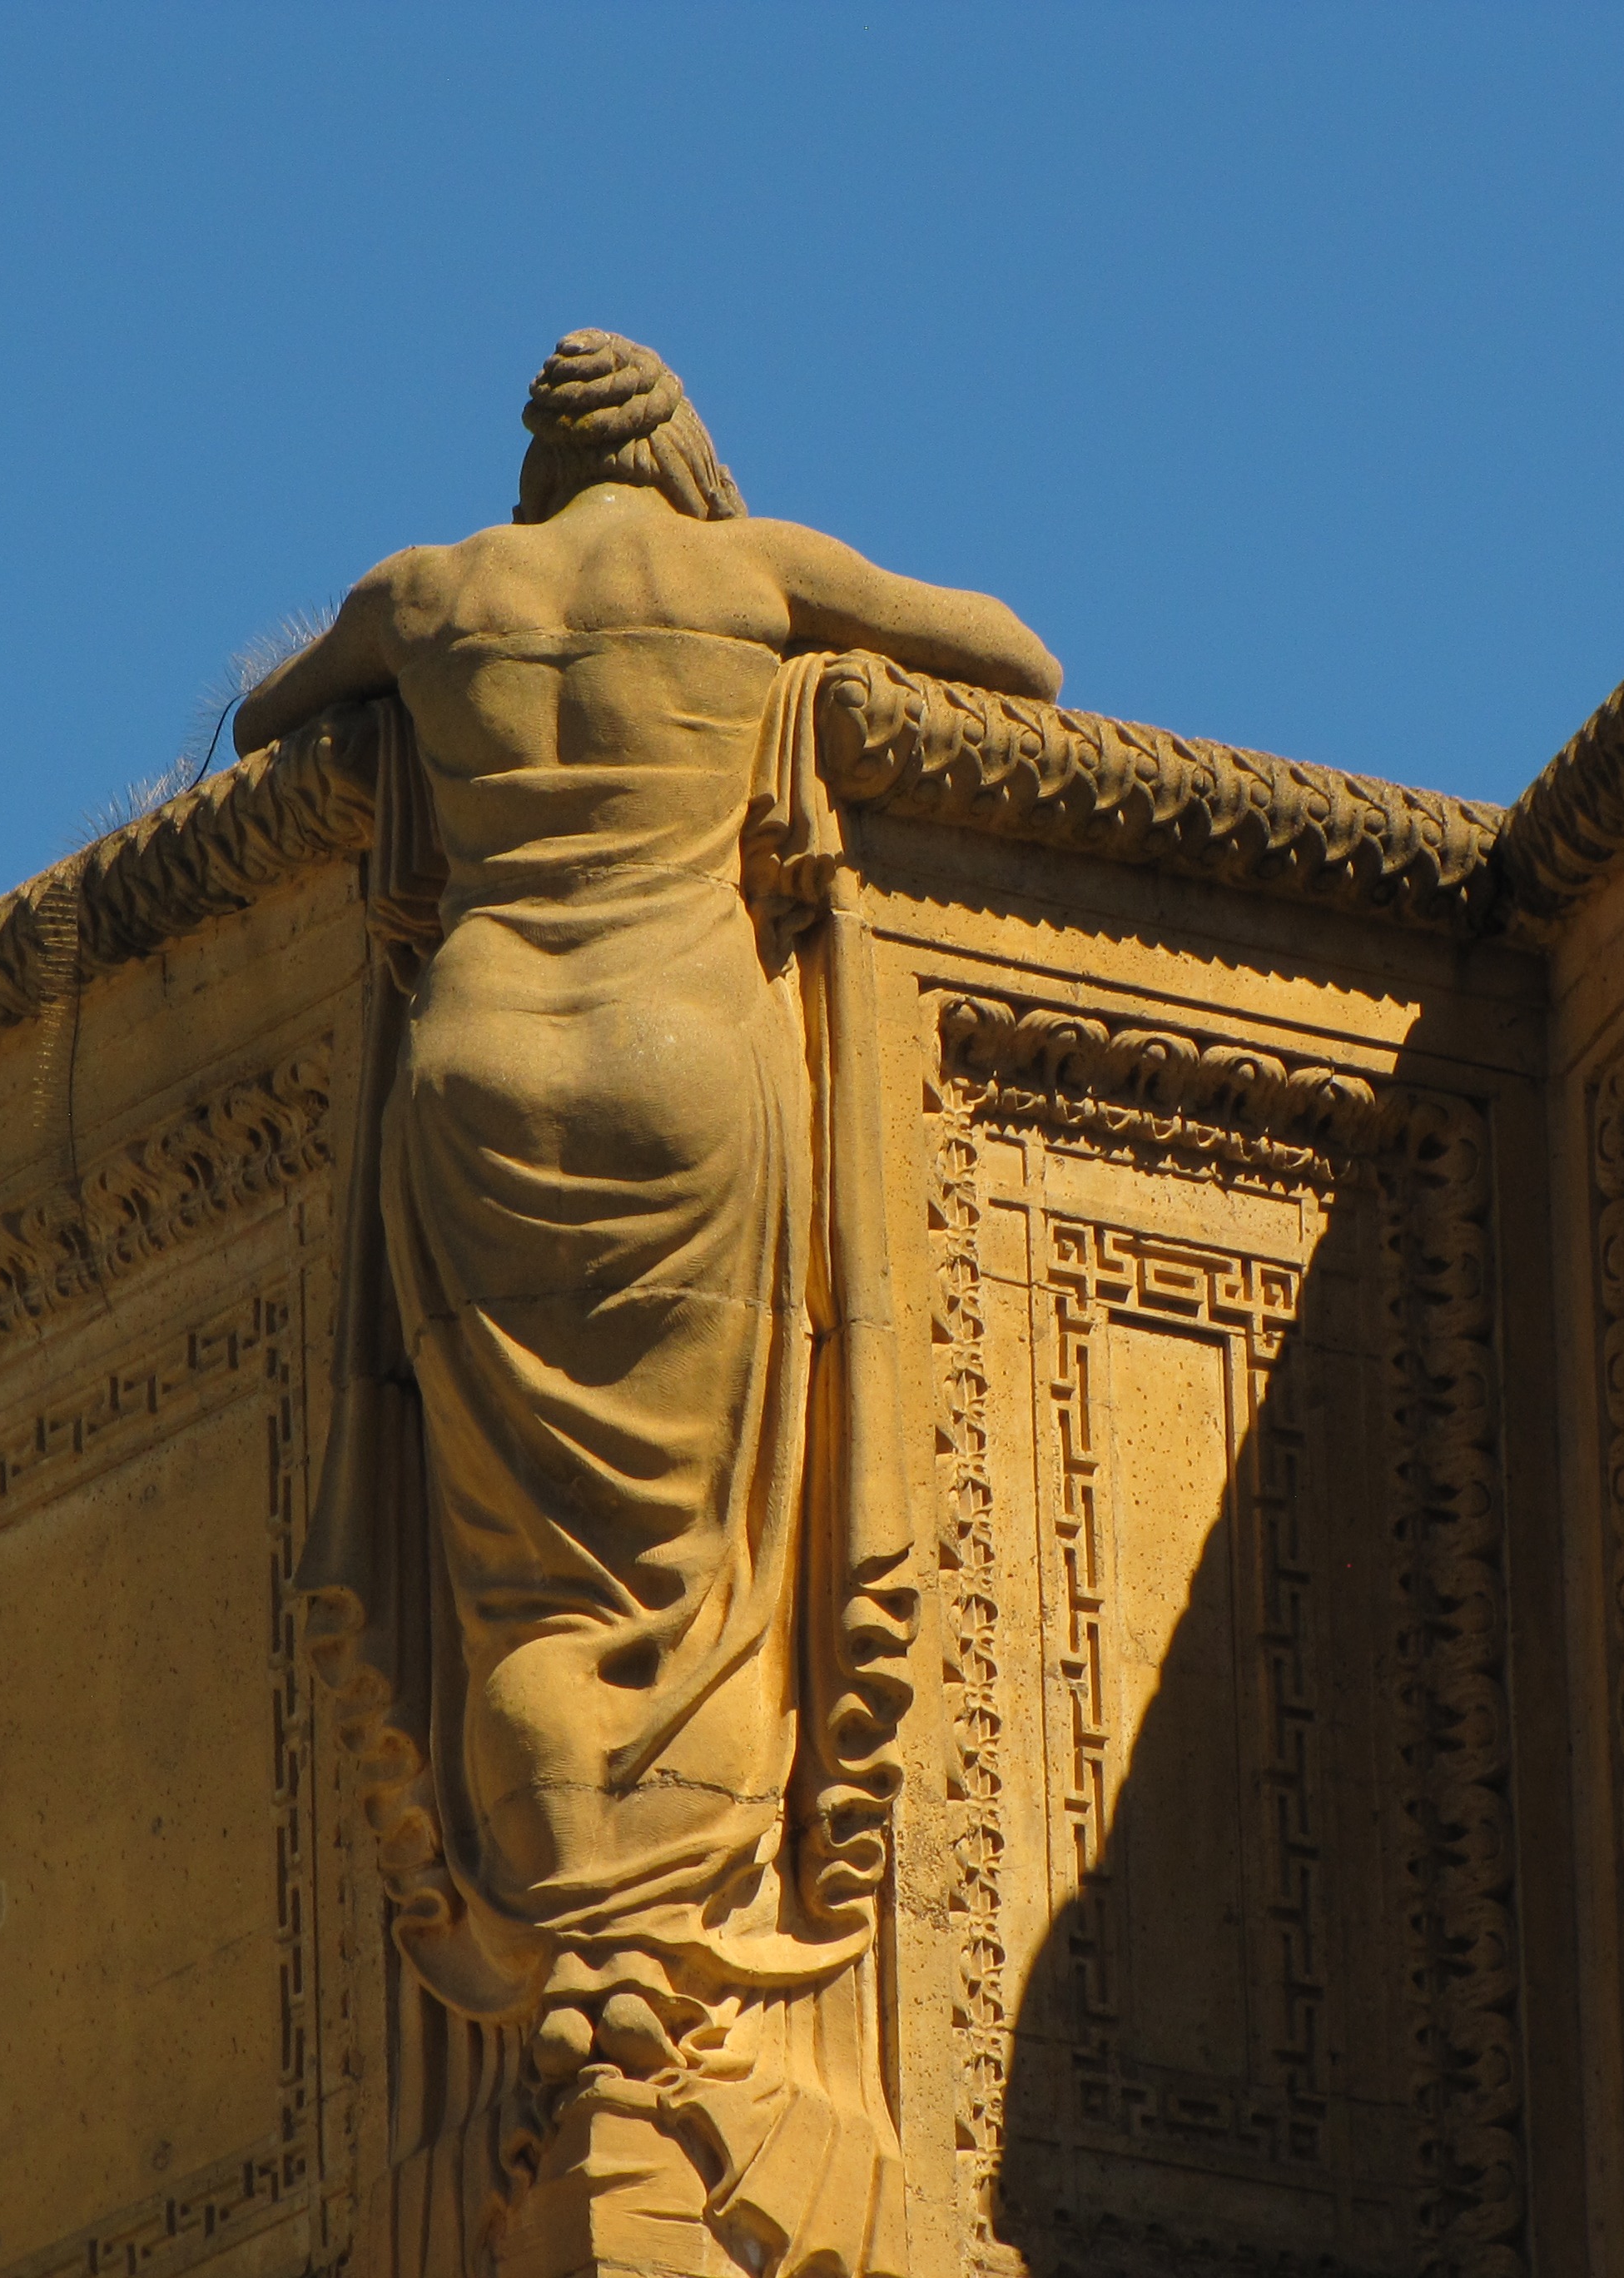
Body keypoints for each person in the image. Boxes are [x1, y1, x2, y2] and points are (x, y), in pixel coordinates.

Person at [236, 331, 1056, 2274]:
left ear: (534, 471)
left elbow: (273, 713)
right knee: (685, 1567)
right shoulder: (741, 570)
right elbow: (1008, 651)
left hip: (482, 1057)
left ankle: (576, 1938)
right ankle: (666, 1970)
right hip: (690, 1055)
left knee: (526, 1578)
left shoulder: (434, 595)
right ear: (677, 447)